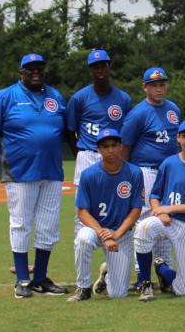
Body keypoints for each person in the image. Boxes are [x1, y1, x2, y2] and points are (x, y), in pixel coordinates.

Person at [0, 53, 74, 299]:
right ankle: (22, 279)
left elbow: (65, 131)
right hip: (20, 172)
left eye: (39, 68)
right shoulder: (5, 97)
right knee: (21, 223)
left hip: (52, 172)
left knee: (48, 226)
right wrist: (7, 155)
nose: (35, 72)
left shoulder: (55, 97)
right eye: (30, 68)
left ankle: (40, 278)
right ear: (21, 72)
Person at [132, 119, 185, 300]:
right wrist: (159, 211)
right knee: (143, 228)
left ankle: (162, 269)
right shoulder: (168, 163)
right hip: (166, 221)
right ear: (178, 138)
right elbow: (154, 196)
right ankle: (145, 284)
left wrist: (168, 208)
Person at [120, 67, 181, 291]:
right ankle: (141, 274)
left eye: (162, 84)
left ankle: (165, 270)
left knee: (167, 220)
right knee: (145, 221)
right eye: (154, 84)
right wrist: (129, 174)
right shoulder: (138, 113)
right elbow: (125, 145)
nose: (158, 88)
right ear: (144, 86)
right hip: (145, 171)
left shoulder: (173, 109)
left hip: (169, 172)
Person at [68, 129, 143, 302]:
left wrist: (115, 235)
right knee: (83, 240)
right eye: (105, 146)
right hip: (96, 229)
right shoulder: (88, 175)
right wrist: (103, 233)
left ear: (120, 146)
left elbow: (136, 210)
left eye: (114, 145)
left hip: (121, 233)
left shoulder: (134, 173)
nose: (110, 150)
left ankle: (106, 275)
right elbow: (82, 212)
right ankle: (83, 288)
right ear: (99, 150)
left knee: (118, 294)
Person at [66, 49, 132, 234]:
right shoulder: (79, 98)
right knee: (83, 208)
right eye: (95, 66)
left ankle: (113, 254)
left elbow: (128, 132)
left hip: (114, 156)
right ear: (90, 70)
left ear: (109, 66)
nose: (100, 69)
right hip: (88, 154)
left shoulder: (123, 99)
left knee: (116, 204)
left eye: (103, 64)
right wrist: (80, 153)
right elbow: (70, 130)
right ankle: (83, 244)